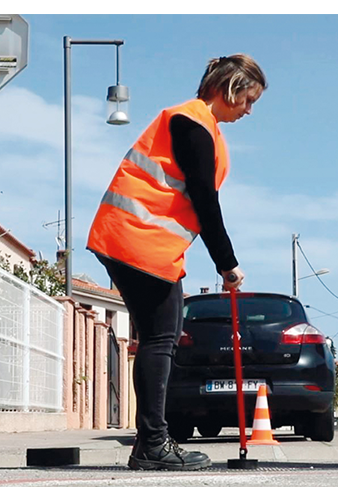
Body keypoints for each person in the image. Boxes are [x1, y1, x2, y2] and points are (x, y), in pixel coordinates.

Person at [87, 54, 266, 471]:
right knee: (160, 340)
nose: (249, 111)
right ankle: (152, 444)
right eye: (248, 100)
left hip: (136, 240)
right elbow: (205, 198)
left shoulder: (198, 124)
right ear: (230, 89)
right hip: (138, 241)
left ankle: (150, 442)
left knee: (157, 338)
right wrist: (228, 263)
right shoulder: (192, 122)